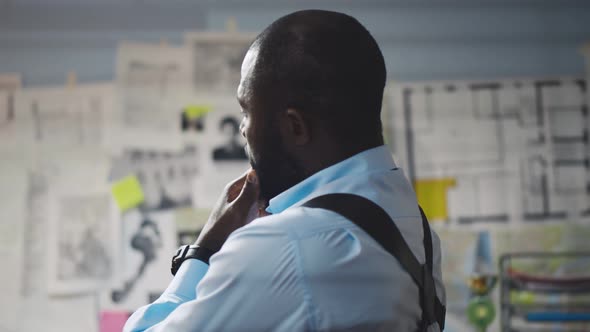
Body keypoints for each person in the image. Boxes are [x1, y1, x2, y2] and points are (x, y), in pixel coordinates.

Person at [125, 9, 445, 331]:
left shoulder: (286, 245)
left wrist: (204, 249)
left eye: (247, 111)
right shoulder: (413, 225)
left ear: (295, 127)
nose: (242, 129)